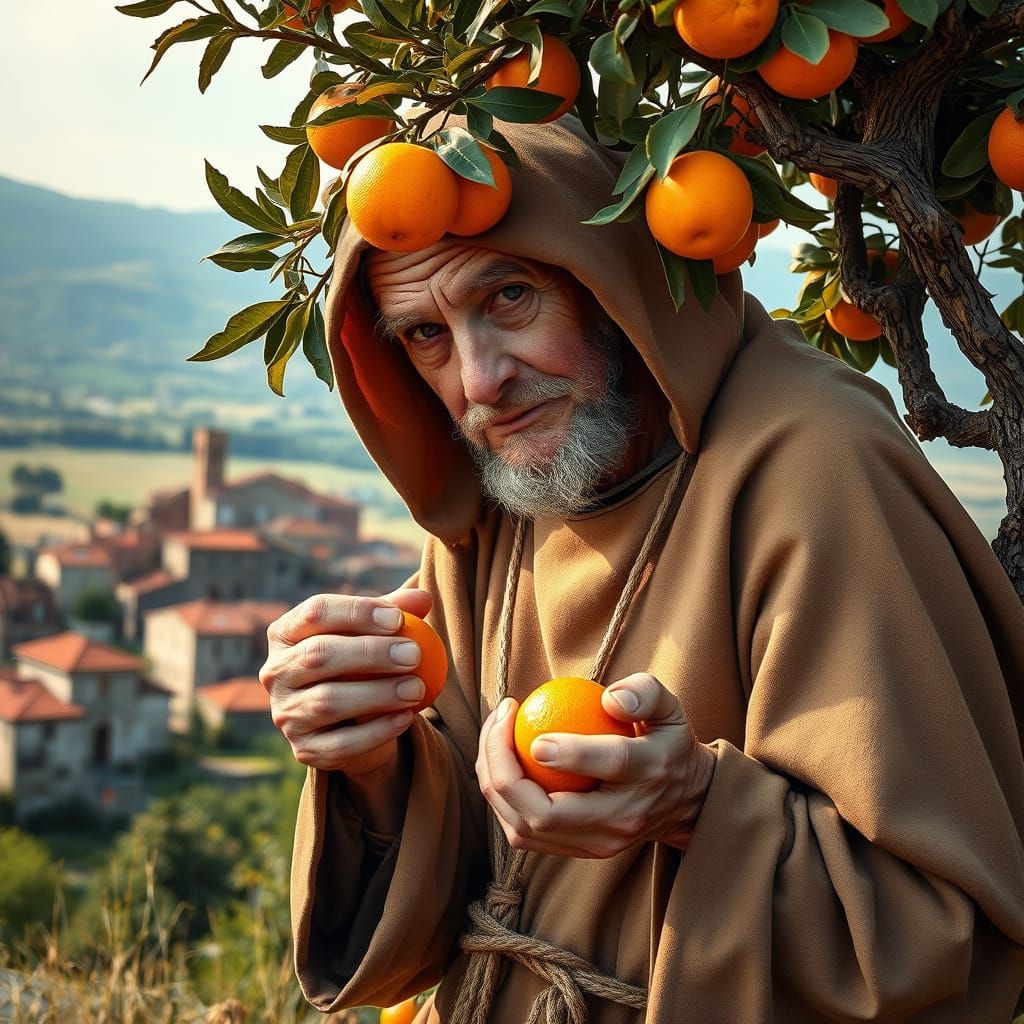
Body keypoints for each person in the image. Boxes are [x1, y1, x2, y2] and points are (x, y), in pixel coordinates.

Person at [260, 114, 1024, 1022]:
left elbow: (941, 938)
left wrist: (699, 804)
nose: (479, 380)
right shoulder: (510, 489)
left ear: (611, 281)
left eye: (508, 297)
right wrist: (371, 755)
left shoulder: (819, 470)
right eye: (426, 335)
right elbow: (456, 894)